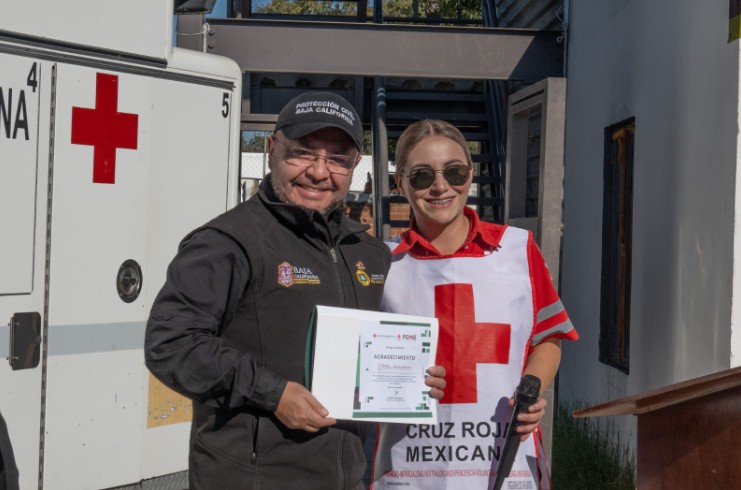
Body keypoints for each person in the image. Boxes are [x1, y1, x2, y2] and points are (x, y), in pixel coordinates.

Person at [144, 92, 445, 490]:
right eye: (302, 153)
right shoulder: (227, 241)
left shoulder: (368, 252)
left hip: (345, 477)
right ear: (272, 150)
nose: (319, 172)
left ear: (354, 165)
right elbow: (170, 342)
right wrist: (274, 394)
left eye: (337, 159)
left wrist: (411, 379)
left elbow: (366, 358)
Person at [370, 120, 579, 489]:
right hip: (410, 470)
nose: (440, 187)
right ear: (399, 183)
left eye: (454, 172)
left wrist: (532, 387)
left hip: (503, 463)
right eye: (421, 176)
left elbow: (547, 337)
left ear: (470, 174)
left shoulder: (518, 249)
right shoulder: (380, 263)